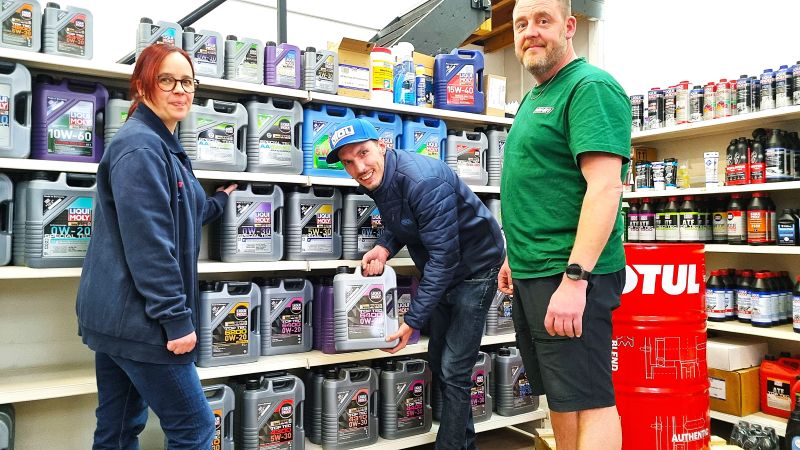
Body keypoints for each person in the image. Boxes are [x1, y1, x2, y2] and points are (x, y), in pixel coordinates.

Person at [75, 44, 237, 449]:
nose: (180, 90)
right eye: (167, 80)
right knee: (194, 428)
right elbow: (149, 244)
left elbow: (178, 212)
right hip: (142, 320)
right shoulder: (142, 148)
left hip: (117, 318)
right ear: (142, 85)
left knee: (117, 428)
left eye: (187, 82)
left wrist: (217, 202)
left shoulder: (160, 143)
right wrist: (175, 319)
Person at [498, 0, 631, 449]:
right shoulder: (536, 96)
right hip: (536, 270)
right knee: (562, 395)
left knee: (590, 398)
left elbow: (605, 188)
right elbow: (540, 186)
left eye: (543, 21)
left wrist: (575, 279)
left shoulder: (590, 87)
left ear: (570, 26)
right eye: (521, 24)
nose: (530, 32)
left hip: (571, 274)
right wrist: (514, 256)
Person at [326, 118, 505, 450]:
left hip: (476, 268)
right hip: (445, 269)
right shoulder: (382, 177)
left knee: (454, 368)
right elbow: (404, 218)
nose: (359, 168)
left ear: (382, 146)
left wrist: (412, 321)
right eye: (349, 162)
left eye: (363, 154)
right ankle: (464, 443)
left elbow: (444, 258)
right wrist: (384, 246)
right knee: (439, 360)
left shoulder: (423, 181)